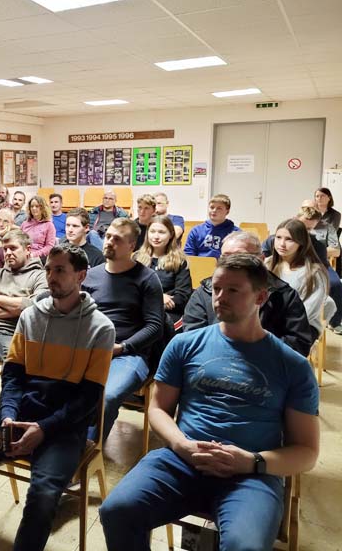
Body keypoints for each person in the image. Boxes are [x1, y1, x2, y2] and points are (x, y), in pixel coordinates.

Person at [100, 253, 320, 551]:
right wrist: (182, 445)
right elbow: (158, 409)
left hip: (250, 474)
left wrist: (252, 462)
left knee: (246, 546)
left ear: (261, 297)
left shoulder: (291, 365)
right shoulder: (184, 345)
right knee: (116, 511)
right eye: (216, 288)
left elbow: (306, 451)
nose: (220, 297)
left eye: (233, 290)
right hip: (182, 460)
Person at [0, 243, 115, 551]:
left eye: (60, 270)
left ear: (81, 275)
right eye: (48, 269)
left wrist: (43, 429)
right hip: (16, 421)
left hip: (62, 431)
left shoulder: (101, 328)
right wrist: (7, 415)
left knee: (43, 496)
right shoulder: (30, 317)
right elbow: (13, 376)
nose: (51, 277)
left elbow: (88, 399)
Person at [82, 218, 164, 441]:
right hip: (91, 350)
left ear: (131, 246)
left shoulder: (147, 278)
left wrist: (122, 347)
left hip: (129, 354)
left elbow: (155, 326)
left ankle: (88, 451)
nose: (109, 241)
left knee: (106, 397)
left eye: (117, 239)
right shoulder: (91, 275)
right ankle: (66, 444)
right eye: (108, 236)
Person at [183, 231, 314, 357]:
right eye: (226, 256)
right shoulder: (205, 291)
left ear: (261, 259)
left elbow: (298, 344)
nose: (232, 262)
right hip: (212, 363)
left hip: (266, 368)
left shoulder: (283, 294)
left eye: (241, 256)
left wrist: (252, 352)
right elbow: (192, 337)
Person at [0, 230, 48, 362]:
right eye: (5, 249)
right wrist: (18, 309)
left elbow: (36, 307)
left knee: (14, 367)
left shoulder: (40, 276)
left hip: (18, 333)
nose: (8, 253)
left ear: (28, 249)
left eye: (13, 248)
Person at [265, 218, 329, 340]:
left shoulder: (314, 273)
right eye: (278, 237)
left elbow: (308, 312)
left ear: (301, 242)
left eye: (289, 239)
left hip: (301, 328)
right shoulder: (268, 263)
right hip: (270, 323)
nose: (282, 244)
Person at [134, 216, 192, 328]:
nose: (156, 236)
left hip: (168, 312)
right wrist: (158, 298)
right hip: (140, 310)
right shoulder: (136, 258)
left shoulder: (180, 261)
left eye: (161, 232)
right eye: (152, 231)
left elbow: (182, 296)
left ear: (171, 235)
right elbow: (131, 291)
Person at [184, 193, 239, 258]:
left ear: (227, 211)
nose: (214, 210)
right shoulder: (196, 231)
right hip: (200, 263)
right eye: (212, 207)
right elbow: (188, 254)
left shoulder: (235, 233)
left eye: (219, 208)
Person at [20, 195, 57, 260]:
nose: (34, 208)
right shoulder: (24, 224)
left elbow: (49, 247)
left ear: (43, 208)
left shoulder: (49, 225)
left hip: (39, 258)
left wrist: (33, 255)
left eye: (37, 206)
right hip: (23, 255)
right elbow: (18, 241)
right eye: (32, 206)